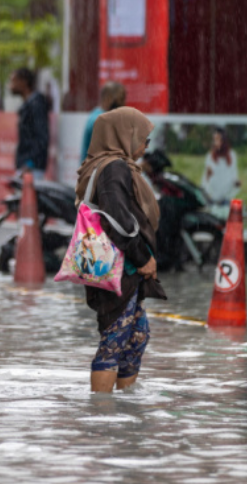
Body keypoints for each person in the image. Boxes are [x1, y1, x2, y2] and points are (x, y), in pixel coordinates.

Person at [76, 107, 167, 393]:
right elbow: (118, 218)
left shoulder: (102, 165)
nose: (146, 146)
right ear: (125, 136)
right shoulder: (113, 168)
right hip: (119, 267)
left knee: (136, 336)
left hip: (117, 266)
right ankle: (103, 417)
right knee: (114, 339)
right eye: (144, 139)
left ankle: (124, 411)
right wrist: (143, 258)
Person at [10, 68, 49, 180]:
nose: (11, 86)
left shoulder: (36, 105)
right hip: (26, 166)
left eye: (14, 81)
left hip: (31, 168)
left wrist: (30, 164)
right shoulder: (30, 104)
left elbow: (42, 137)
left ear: (24, 82)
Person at [81, 82, 127, 161]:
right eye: (120, 100)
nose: (122, 104)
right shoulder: (102, 121)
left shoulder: (97, 115)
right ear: (108, 98)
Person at [201, 127, 241, 211]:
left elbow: (234, 177)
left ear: (224, 141)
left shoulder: (232, 155)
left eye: (218, 140)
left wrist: (237, 183)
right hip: (212, 199)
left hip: (226, 199)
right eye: (214, 140)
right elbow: (206, 179)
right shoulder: (210, 156)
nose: (215, 143)